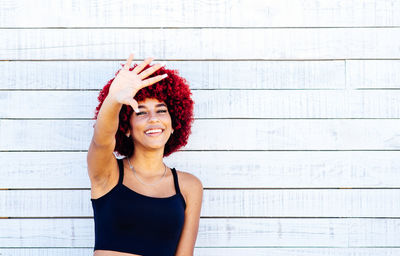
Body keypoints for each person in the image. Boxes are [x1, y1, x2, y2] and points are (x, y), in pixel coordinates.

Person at [87, 53, 203, 256]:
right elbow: (101, 139)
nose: (153, 119)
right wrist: (113, 101)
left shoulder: (189, 186)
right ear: (126, 127)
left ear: (174, 123)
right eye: (140, 112)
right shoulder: (108, 173)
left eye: (161, 110)